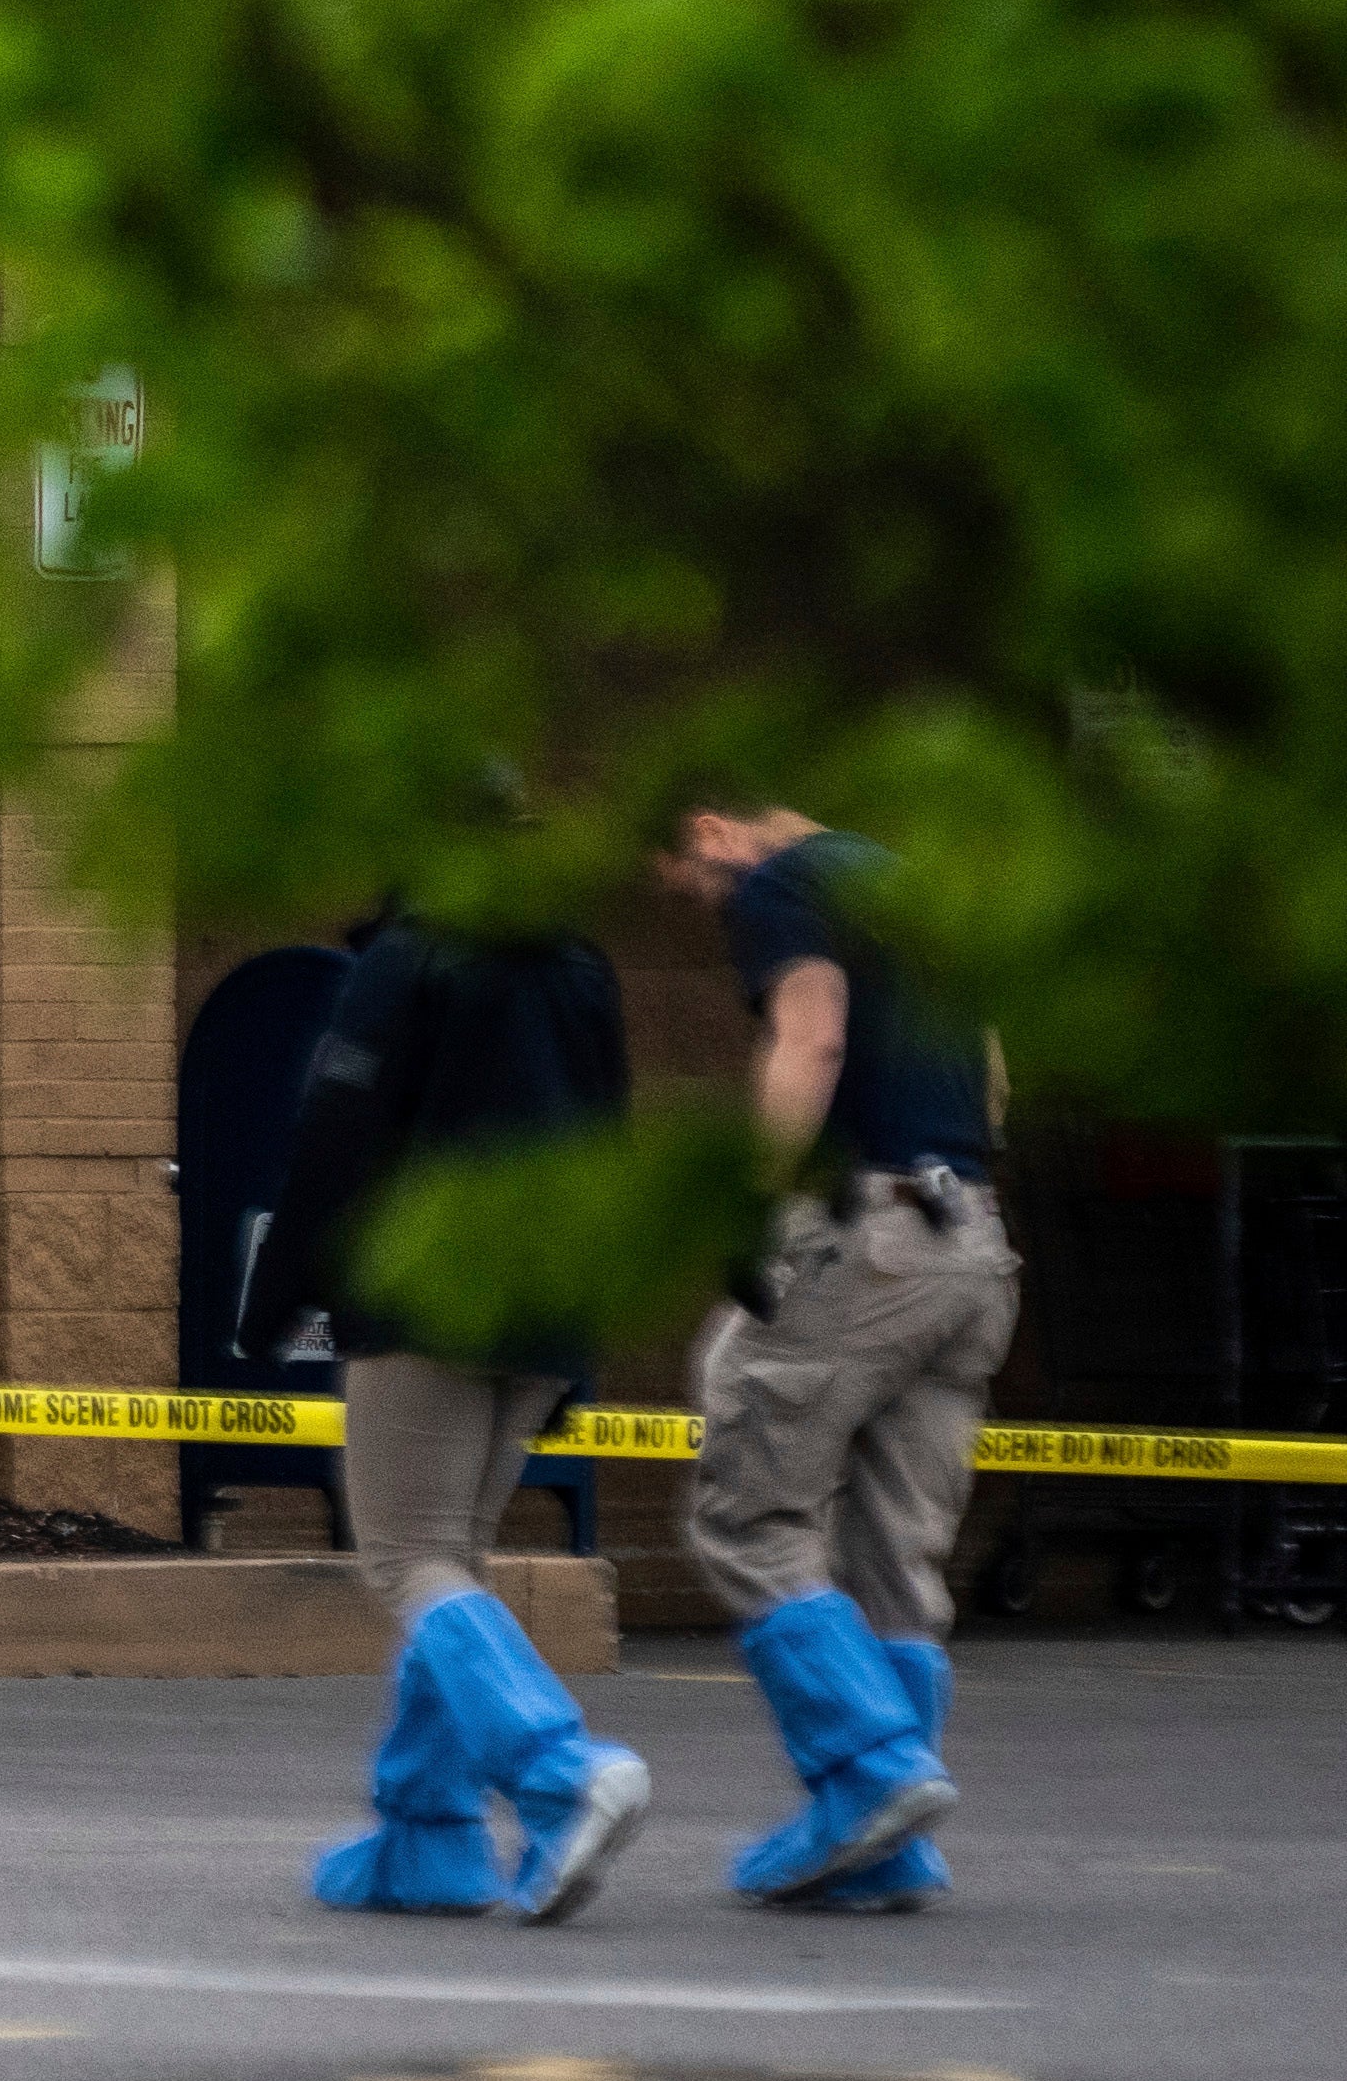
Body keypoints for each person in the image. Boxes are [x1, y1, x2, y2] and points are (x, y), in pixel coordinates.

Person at [658, 802, 1014, 1907]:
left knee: (746, 1512)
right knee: (895, 1551)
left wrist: (754, 1207)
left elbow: (811, 1035)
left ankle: (869, 1772)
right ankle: (890, 1853)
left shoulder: (784, 886)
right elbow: (995, 1077)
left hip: (876, 1236)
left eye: (687, 877)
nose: (704, 903)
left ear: (712, 830)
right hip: (975, 1245)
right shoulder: (910, 881)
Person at [272, 905, 653, 1921]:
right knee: (457, 1559)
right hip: (546, 1299)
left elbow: (333, 1133)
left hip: (427, 1289)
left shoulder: (405, 959)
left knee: (406, 1556)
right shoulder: (579, 957)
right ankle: (427, 1838)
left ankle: (560, 1770)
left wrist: (278, 1296)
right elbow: (613, 1135)